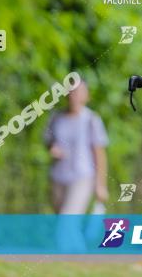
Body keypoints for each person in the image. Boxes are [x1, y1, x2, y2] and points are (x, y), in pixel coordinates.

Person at [44, 80, 109, 214]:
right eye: (72, 92)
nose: (74, 96)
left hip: (82, 177)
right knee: (65, 225)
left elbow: (99, 154)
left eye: (79, 92)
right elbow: (48, 140)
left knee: (66, 221)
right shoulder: (56, 117)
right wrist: (52, 148)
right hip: (58, 177)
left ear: (87, 96)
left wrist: (100, 185)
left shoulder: (91, 119)